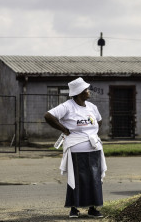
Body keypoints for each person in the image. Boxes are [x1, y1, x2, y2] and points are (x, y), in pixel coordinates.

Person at [44, 77, 107, 219]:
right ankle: (74, 208)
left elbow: (99, 121)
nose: (88, 91)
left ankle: (93, 208)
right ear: (79, 92)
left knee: (94, 178)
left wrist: (91, 134)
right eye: (86, 89)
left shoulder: (92, 107)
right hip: (76, 151)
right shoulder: (67, 106)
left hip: (94, 148)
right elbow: (48, 116)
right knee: (77, 178)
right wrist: (64, 130)